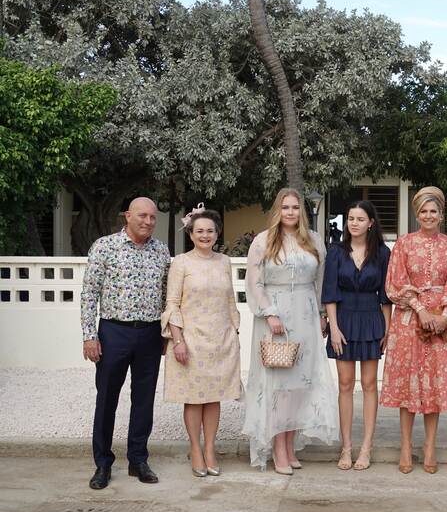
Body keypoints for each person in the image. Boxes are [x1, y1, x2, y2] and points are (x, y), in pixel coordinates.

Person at [242, 188, 338, 475]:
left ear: (301, 211)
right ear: (278, 210)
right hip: (276, 315)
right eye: (285, 208)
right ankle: (278, 449)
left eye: (295, 207)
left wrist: (323, 315)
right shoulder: (263, 241)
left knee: (300, 385)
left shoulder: (314, 240)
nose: (291, 212)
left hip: (306, 314)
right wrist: (269, 312)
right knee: (279, 385)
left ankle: (291, 443)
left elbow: (320, 281)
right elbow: (255, 283)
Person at [379, 186, 447, 474]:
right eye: (423, 211)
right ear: (416, 214)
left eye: (433, 211)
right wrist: (420, 309)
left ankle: (430, 444)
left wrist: (444, 315)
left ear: (441, 214)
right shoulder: (404, 245)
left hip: (442, 322)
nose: (428, 216)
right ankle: (406, 445)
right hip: (409, 320)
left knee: (434, 386)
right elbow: (395, 282)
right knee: (408, 384)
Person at [81, 197, 170, 490]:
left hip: (149, 334)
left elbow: (168, 295)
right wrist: (89, 335)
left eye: (153, 217)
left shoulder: (161, 251)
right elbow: (89, 294)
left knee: (143, 400)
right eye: (142, 215)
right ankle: (103, 464)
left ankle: (138, 460)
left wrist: (167, 335)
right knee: (107, 399)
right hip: (113, 332)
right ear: (127, 216)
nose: (148, 221)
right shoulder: (105, 246)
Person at [161, 206, 242, 478]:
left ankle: (210, 448)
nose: (205, 235)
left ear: (217, 233)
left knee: (214, 397)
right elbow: (172, 303)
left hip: (220, 340)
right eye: (199, 231)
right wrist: (178, 340)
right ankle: (195, 448)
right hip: (191, 339)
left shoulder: (224, 262)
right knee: (194, 398)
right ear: (191, 234)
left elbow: (230, 299)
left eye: (210, 231)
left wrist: (235, 331)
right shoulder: (181, 263)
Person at [322, 200, 392, 471]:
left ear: (371, 222)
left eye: (360, 219)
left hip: (372, 319)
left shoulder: (383, 253)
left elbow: (387, 296)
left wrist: (388, 328)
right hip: (344, 318)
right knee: (345, 384)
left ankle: (366, 448)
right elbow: (329, 291)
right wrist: (334, 327)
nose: (354, 223)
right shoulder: (336, 252)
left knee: (370, 384)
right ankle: (347, 447)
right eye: (350, 218)